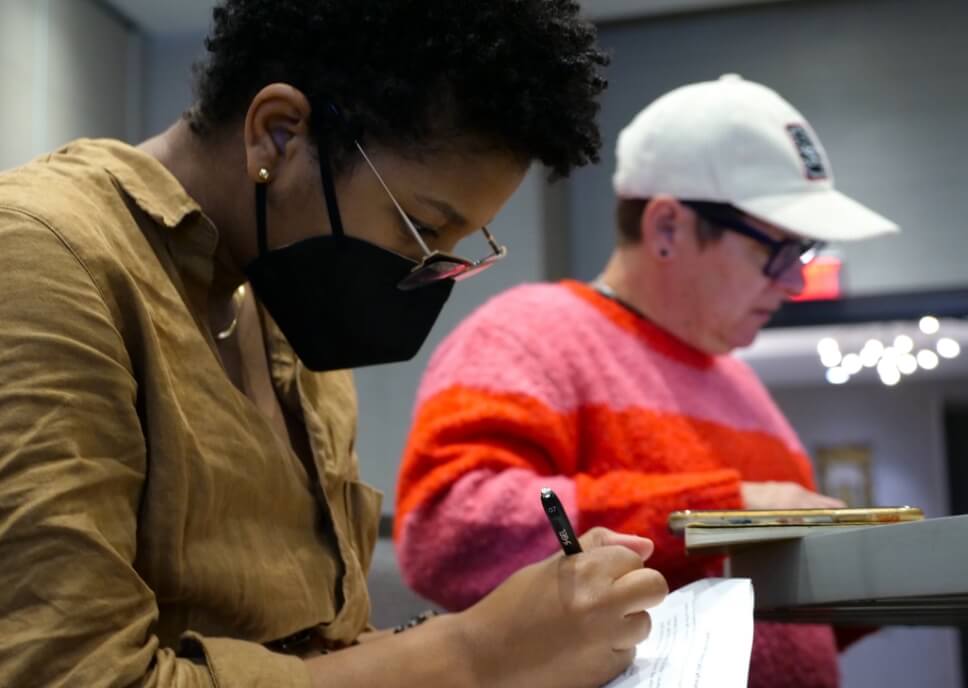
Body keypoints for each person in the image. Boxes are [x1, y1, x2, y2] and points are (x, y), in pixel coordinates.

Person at [0, 2, 671, 686]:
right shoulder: (41, 259)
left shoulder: (284, 310)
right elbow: (70, 676)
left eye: (456, 247)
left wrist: (527, 630)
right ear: (278, 135)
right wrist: (474, 652)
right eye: (418, 228)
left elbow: (314, 649)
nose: (423, 272)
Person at [394, 74, 900, 688]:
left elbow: (780, 610)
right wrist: (727, 511)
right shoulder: (526, 335)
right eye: (779, 252)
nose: (794, 282)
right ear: (666, 227)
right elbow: (449, 531)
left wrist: (871, 571)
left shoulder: (744, 390)